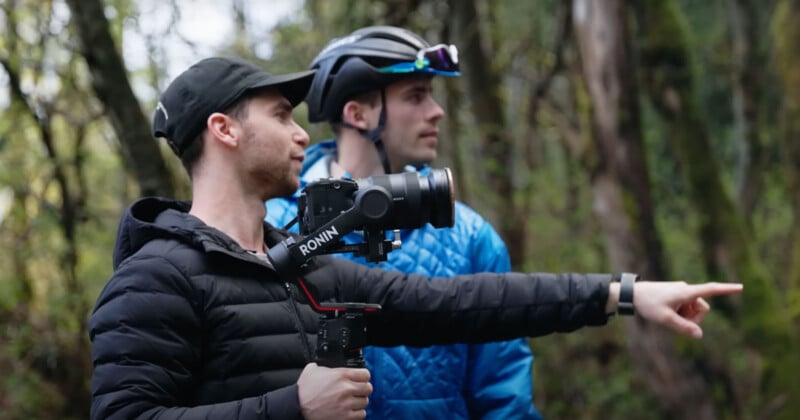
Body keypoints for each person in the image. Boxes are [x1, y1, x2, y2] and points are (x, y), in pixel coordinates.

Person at [88, 55, 743, 420]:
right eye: (283, 115)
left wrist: (625, 295)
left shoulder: (303, 269)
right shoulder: (153, 279)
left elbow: (462, 303)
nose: (299, 134)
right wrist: (294, 406)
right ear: (224, 130)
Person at [265, 26, 542, 419]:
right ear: (357, 113)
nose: (437, 110)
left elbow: (503, 392)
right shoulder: (272, 228)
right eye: (416, 96)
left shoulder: (469, 235)